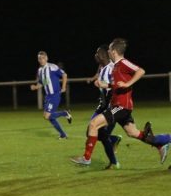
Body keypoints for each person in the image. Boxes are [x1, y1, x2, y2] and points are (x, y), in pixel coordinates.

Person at [71, 38, 170, 166]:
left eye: (109, 50)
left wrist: (128, 83)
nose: (108, 52)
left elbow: (141, 71)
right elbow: (117, 85)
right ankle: (162, 142)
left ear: (114, 51)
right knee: (133, 132)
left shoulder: (123, 63)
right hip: (120, 107)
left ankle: (86, 158)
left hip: (121, 106)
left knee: (94, 124)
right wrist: (105, 84)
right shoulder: (116, 67)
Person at [89, 44, 122, 169]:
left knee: (102, 134)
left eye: (97, 53)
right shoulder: (102, 68)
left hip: (111, 107)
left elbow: (115, 86)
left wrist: (103, 85)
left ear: (102, 55)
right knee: (91, 132)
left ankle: (114, 162)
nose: (95, 56)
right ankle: (114, 140)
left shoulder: (112, 68)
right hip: (102, 106)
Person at [30, 51, 72, 139]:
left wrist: (64, 87)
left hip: (55, 95)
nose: (41, 60)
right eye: (39, 58)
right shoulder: (40, 70)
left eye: (43, 58)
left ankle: (65, 113)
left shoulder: (52, 67)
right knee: (49, 117)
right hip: (48, 96)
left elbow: (64, 75)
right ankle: (63, 135)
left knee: (47, 116)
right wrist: (36, 87)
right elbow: (43, 82)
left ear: (46, 58)